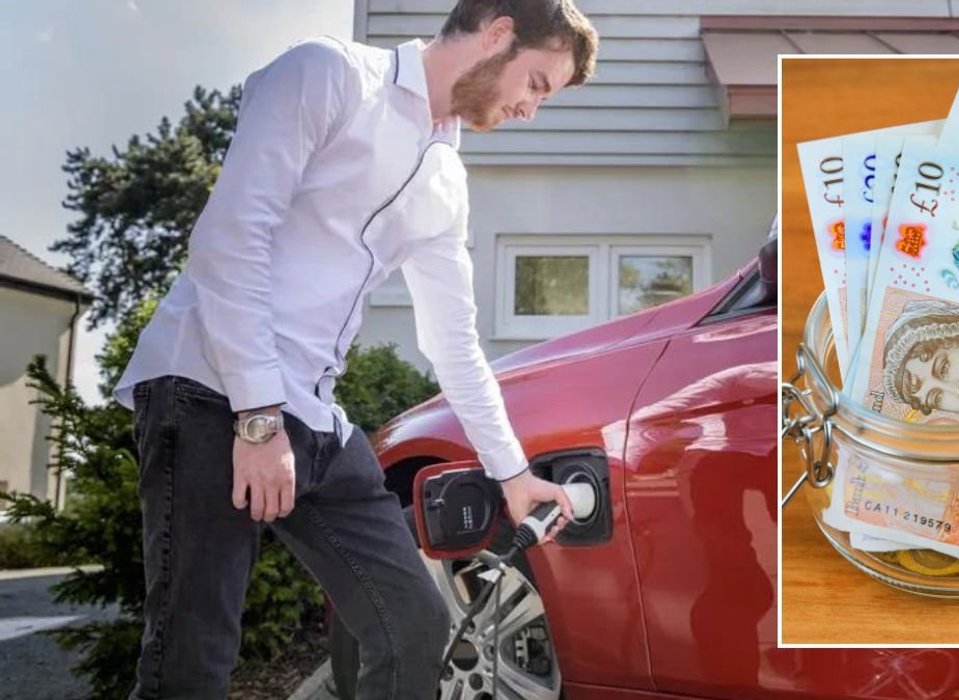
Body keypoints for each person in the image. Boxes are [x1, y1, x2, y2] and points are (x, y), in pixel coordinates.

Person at [111, 1, 598, 697]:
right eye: (536, 84)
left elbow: (452, 342)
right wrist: (257, 418)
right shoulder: (328, 74)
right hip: (210, 386)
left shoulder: (443, 179)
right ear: (496, 32)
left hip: (312, 416)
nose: (530, 109)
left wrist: (514, 476)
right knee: (192, 656)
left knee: (413, 626)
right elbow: (229, 239)